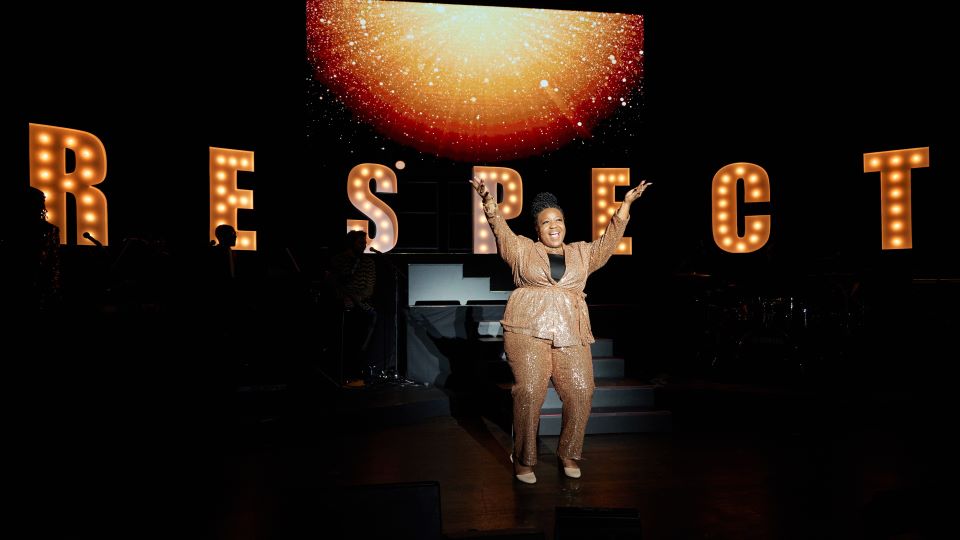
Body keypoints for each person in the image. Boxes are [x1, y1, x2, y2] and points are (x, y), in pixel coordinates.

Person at [471, 178, 651, 484]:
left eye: (559, 220)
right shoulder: (522, 249)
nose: (554, 226)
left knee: (581, 391)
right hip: (527, 328)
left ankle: (568, 451)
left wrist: (626, 206)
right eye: (546, 222)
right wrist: (489, 203)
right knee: (529, 392)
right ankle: (524, 458)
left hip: (571, 329)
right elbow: (500, 228)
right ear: (537, 229)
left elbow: (608, 241)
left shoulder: (582, 253)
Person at [327, 230, 377, 388]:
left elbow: (370, 288)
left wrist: (357, 299)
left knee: (362, 334)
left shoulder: (369, 263)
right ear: (351, 243)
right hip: (341, 304)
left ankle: (357, 372)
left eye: (365, 242)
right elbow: (332, 283)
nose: (364, 245)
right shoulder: (338, 260)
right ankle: (340, 374)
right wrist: (343, 298)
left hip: (360, 305)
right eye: (360, 242)